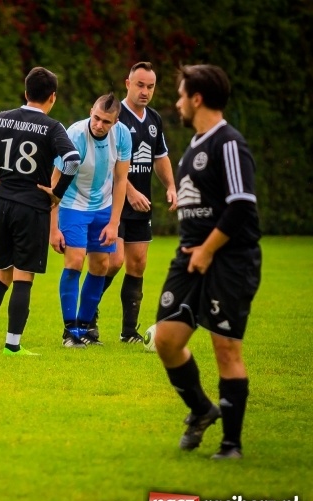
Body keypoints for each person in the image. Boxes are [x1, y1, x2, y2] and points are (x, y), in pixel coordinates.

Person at [154, 64, 261, 460]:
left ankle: (231, 446)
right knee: (166, 339)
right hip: (189, 259)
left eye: (181, 95)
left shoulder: (228, 143)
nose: (178, 102)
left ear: (197, 98)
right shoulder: (195, 147)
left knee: (226, 348)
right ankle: (201, 410)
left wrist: (208, 248)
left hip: (228, 260)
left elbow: (241, 207)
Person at [0, 67, 81, 356]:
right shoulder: (53, 127)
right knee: (23, 275)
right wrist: (57, 193)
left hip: (2, 203)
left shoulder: (2, 118)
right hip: (31, 206)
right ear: (52, 97)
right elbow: (73, 160)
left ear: (25, 92)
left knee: (3, 271)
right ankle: (12, 345)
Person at [93, 62, 177, 344]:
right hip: (114, 202)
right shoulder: (114, 118)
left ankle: (129, 331)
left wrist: (171, 186)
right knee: (113, 261)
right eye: (140, 85)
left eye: (150, 87)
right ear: (127, 83)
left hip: (142, 204)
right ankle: (87, 314)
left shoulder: (153, 119)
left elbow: (160, 157)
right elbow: (107, 163)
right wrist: (128, 191)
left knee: (138, 264)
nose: (145, 91)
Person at [48, 93, 131, 348]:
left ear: (115, 122)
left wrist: (114, 222)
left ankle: (84, 328)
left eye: (106, 121)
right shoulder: (74, 136)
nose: (99, 124)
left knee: (101, 265)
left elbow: (120, 181)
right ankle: (69, 332)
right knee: (74, 260)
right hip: (72, 204)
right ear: (90, 111)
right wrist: (53, 229)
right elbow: (54, 183)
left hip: (104, 207)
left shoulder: (123, 136)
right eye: (96, 118)